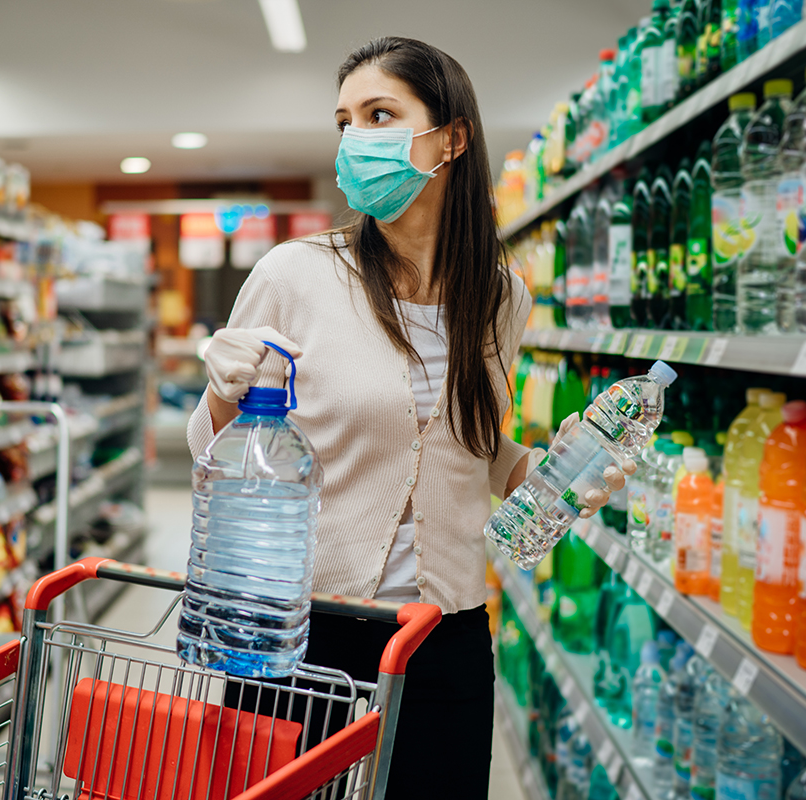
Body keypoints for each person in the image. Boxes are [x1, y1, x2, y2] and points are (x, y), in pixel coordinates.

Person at [186, 36, 632, 796]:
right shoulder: (295, 275)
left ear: (451, 138)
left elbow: (473, 449)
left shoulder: (499, 298)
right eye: (345, 122)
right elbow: (216, 457)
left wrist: (553, 471)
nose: (357, 138)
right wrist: (222, 393)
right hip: (305, 633)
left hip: (444, 637)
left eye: (381, 114)